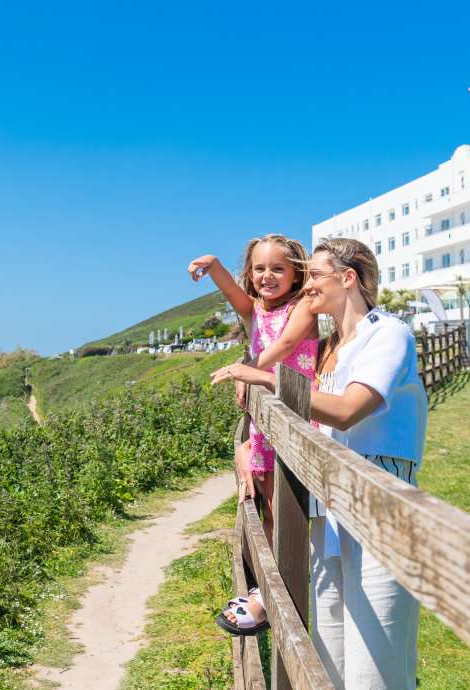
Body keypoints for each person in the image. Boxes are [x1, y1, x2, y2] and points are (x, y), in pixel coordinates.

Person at [211, 237, 427, 689]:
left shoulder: (387, 334)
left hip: (377, 507)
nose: (304, 289)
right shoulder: (329, 347)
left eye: (313, 278)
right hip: (327, 508)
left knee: (375, 664)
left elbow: (349, 409)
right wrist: (251, 443)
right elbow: (303, 419)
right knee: (328, 654)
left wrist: (262, 377)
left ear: (347, 279)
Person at [187, 233, 318, 634]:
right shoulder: (255, 311)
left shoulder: (305, 307)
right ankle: (267, 588)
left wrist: (249, 369)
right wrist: (213, 266)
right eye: (259, 269)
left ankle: (276, 593)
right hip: (265, 423)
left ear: (297, 274)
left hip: (294, 417)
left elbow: (289, 342)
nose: (267, 276)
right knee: (265, 503)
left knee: (285, 509)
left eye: (278, 268)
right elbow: (234, 295)